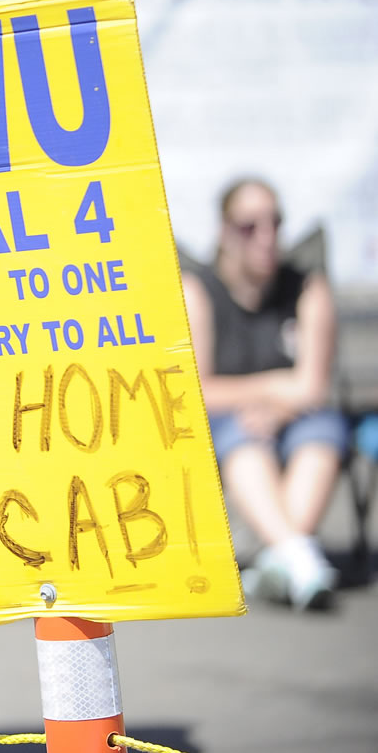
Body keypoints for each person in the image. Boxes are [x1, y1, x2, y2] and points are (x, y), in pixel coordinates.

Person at [182, 178, 347, 611]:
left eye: (274, 222)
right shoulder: (199, 291)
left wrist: (277, 408)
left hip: (301, 420)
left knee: (322, 434)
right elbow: (196, 389)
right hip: (235, 428)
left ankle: (287, 558)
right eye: (249, 226)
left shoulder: (308, 288)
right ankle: (299, 557)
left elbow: (312, 387)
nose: (266, 237)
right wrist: (276, 388)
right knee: (241, 438)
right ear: (223, 232)